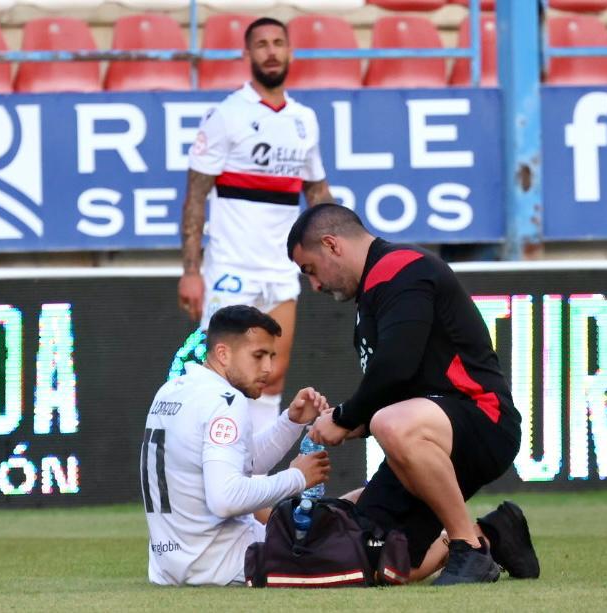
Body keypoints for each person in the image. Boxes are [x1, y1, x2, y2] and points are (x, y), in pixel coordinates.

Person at [286, 203, 540, 585]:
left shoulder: (400, 268)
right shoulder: (370, 298)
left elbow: (396, 366)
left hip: (483, 420)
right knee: (378, 560)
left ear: (331, 244)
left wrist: (343, 417)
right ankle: (493, 534)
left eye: (310, 269)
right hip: (426, 434)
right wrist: (343, 423)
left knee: (390, 424)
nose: (315, 285)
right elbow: (395, 389)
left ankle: (469, 548)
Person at [178, 17, 333, 442]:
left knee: (271, 373)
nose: (271, 51)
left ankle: (254, 473)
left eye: (278, 43)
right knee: (221, 374)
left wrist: (334, 255)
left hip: (280, 269)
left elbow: (318, 193)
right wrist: (191, 270)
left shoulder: (304, 120)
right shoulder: (226, 115)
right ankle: (210, 462)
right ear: (247, 54)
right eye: (261, 44)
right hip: (231, 266)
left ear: (290, 51)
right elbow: (195, 197)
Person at [142, 305, 331, 586]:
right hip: (226, 564)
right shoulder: (226, 401)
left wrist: (290, 422)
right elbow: (226, 499)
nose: (268, 368)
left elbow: (239, 461)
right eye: (258, 356)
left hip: (169, 568)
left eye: (271, 356)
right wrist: (297, 477)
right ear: (223, 354)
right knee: (343, 531)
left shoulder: (171, 390)